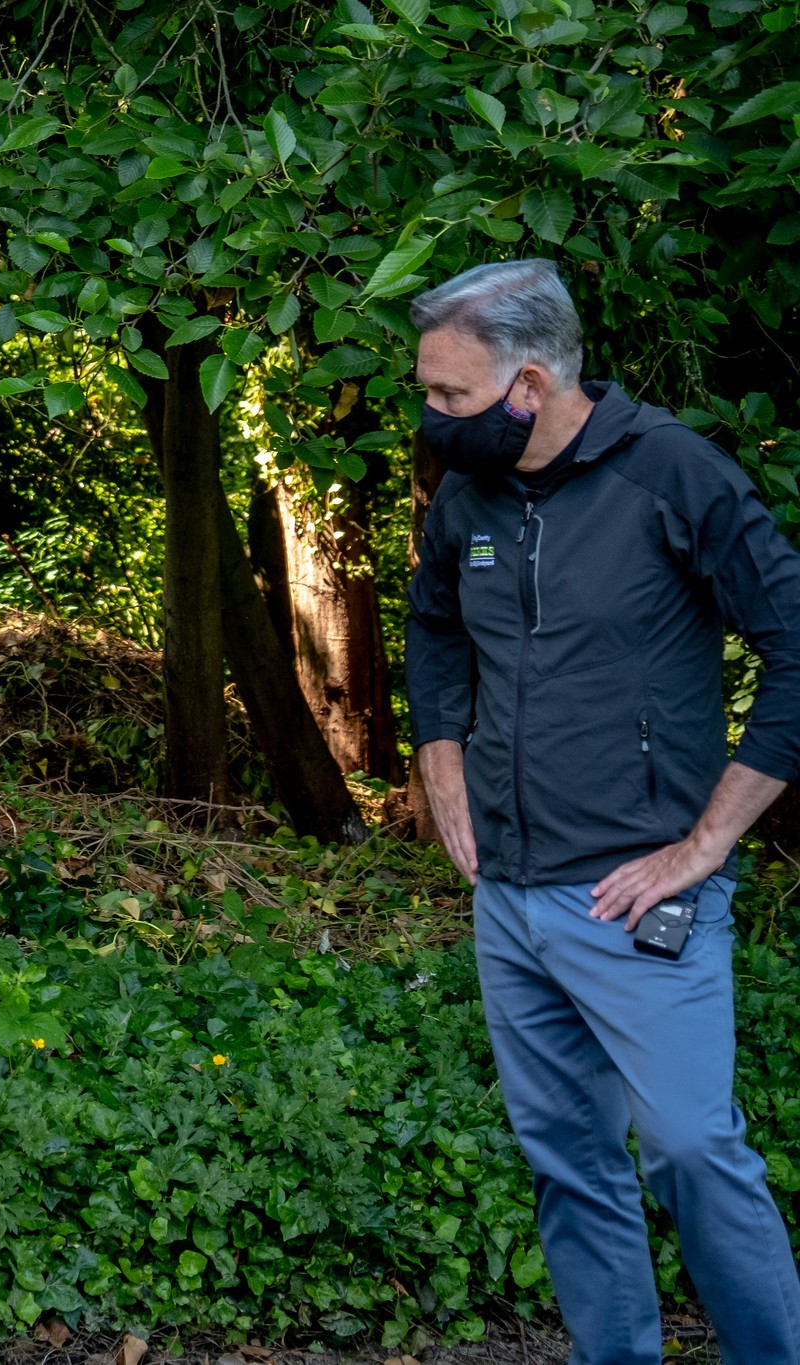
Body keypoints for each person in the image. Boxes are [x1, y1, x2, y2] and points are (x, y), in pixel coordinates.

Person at [406, 258, 800, 1363]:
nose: (429, 417)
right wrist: (438, 757)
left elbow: (792, 651)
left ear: (527, 383)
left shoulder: (673, 476)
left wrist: (705, 842)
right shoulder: (469, 498)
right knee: (566, 1160)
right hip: (509, 901)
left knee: (686, 1148)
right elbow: (432, 628)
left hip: (634, 899)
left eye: (448, 395)